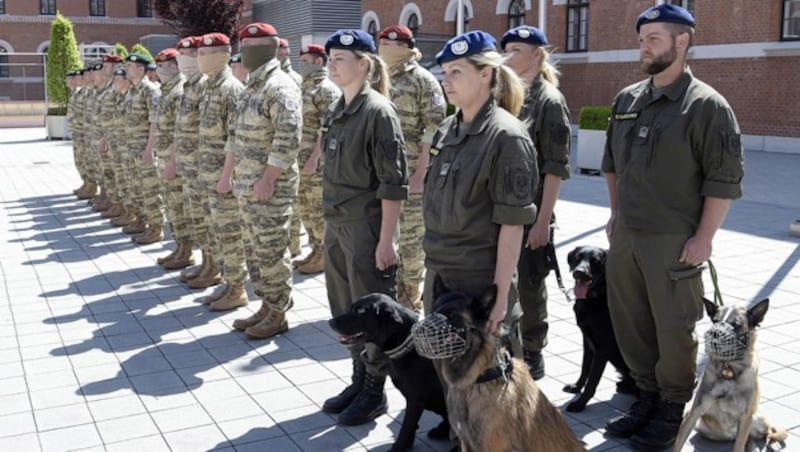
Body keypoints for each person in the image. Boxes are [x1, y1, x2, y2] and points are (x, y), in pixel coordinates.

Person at [602, 5, 744, 450]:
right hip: (627, 236)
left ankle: (671, 407)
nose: (643, 47)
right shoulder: (627, 100)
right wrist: (614, 213)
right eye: (642, 38)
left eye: (654, 39)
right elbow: (611, 165)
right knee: (632, 324)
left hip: (674, 242)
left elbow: (723, 180)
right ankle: (645, 397)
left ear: (682, 42)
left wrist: (704, 238)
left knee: (673, 328)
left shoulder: (706, 106)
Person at [422, 30, 538, 360]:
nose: (447, 81)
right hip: (440, 273)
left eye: (457, 72)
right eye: (444, 73)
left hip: (479, 280)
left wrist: (500, 295)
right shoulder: (447, 130)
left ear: (486, 74)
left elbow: (512, 225)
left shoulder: (506, 137)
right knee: (447, 371)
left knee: (488, 382)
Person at [318, 29, 407, 426]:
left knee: (371, 314)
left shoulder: (378, 112)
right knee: (346, 311)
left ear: (364, 64)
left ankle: (374, 391)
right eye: (330, 58)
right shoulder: (339, 108)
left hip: (366, 229)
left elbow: (392, 183)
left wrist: (387, 240)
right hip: (337, 226)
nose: (332, 64)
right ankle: (358, 379)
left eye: (340, 58)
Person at [218, 23, 302, 336]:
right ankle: (266, 304)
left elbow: (288, 136)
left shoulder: (279, 85)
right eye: (244, 44)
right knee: (255, 249)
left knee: (271, 249)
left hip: (269, 187)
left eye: (251, 45)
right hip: (247, 185)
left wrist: (269, 178)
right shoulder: (252, 85)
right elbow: (236, 135)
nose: (244, 51)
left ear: (267, 47)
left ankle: (278, 312)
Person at [501, 25, 571, 380]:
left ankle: (533, 348)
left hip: (532, 210)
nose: (508, 56)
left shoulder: (549, 101)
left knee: (530, 282)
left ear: (538, 54)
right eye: (506, 49)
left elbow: (555, 168)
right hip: (502, 210)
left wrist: (544, 220)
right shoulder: (504, 93)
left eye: (516, 49)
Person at [377, 25, 446, 310]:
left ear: (407, 48)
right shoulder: (375, 76)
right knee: (384, 232)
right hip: (382, 172)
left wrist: (421, 171)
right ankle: (389, 287)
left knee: (411, 235)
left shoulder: (423, 80)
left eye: (392, 45)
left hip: (412, 171)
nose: (385, 50)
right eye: (382, 44)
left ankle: (410, 291)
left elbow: (435, 127)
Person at [193, 32, 249, 310]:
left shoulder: (231, 89)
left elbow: (235, 138)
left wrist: (227, 176)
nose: (199, 59)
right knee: (216, 232)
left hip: (223, 178)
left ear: (221, 55)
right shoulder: (208, 87)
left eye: (204, 54)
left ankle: (238, 288)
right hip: (207, 175)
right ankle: (227, 282)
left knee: (229, 233)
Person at [292, 44, 341, 275]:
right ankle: (314, 249)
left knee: (317, 209)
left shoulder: (326, 90)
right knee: (304, 208)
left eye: (306, 59)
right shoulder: (303, 87)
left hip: (317, 163)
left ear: (319, 61)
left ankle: (325, 255)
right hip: (299, 161)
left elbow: (328, 129)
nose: (301, 63)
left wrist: (314, 158)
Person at [164, 36, 206, 272]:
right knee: (189, 214)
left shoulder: (203, 86)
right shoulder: (189, 86)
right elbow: (178, 130)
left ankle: (211, 267)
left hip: (202, 166)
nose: (184, 60)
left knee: (206, 220)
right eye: (181, 56)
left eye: (189, 55)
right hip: (187, 163)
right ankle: (187, 251)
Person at [121, 53, 162, 243]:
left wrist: (149, 150)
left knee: (150, 191)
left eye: (130, 65)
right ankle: (141, 221)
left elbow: (155, 123)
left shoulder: (150, 90)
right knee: (136, 188)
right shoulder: (132, 90)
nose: (127, 68)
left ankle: (156, 229)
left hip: (144, 149)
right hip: (131, 149)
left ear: (140, 69)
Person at [150, 48, 187, 251]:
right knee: (171, 207)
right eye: (159, 66)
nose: (160, 70)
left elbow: (178, 131)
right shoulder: (166, 90)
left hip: (175, 161)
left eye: (164, 66)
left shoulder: (179, 91)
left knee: (179, 207)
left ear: (175, 66)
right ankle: (180, 248)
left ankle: (186, 250)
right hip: (163, 157)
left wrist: (172, 162)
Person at [277, 37, 304, 257]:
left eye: (283, 48)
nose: (280, 52)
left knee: (293, 204)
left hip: (293, 151)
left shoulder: (294, 79)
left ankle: (294, 244)